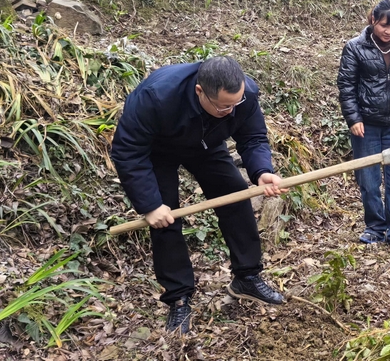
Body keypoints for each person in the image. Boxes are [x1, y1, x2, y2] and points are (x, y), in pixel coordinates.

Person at [110, 57, 287, 334]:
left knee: (236, 196)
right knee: (165, 219)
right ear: (200, 92)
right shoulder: (156, 97)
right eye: (224, 106)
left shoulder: (244, 95)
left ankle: (247, 276)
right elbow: (127, 151)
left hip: (206, 143)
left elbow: (252, 137)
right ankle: (178, 298)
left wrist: (262, 171)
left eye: (235, 104)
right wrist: (150, 205)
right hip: (158, 150)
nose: (231, 111)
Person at [337, 0, 390, 252]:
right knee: (369, 179)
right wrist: (354, 119)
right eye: (385, 25)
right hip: (367, 124)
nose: (389, 31)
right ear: (373, 20)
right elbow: (346, 86)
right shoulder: (354, 47)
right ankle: (375, 227)